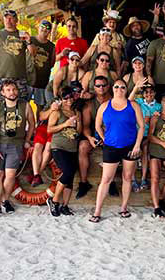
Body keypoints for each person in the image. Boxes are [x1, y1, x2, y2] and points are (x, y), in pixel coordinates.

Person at [91, 79, 145, 222]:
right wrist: (105, 138)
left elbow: (141, 126)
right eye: (116, 86)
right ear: (112, 88)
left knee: (127, 177)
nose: (119, 89)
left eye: (122, 87)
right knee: (106, 179)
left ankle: (123, 208)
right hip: (111, 147)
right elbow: (97, 126)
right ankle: (97, 211)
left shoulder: (133, 105)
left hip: (130, 147)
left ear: (126, 90)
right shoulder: (104, 106)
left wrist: (138, 145)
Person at [0, 80, 35, 217]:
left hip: (16, 144)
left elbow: (32, 123)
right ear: (2, 92)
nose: (11, 92)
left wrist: (26, 140)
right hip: (0, 143)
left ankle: (5, 200)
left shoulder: (24, 105)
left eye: (13, 89)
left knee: (10, 175)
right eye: (8, 90)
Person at [46, 86, 82, 217]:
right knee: (67, 171)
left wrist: (77, 124)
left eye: (70, 97)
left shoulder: (76, 112)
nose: (68, 100)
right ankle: (54, 201)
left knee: (70, 177)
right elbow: (49, 129)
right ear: (61, 99)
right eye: (65, 98)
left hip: (72, 147)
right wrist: (65, 124)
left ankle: (65, 205)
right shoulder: (57, 112)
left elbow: (79, 132)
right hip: (59, 147)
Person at [0, 9, 30, 100]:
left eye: (11, 18)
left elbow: (33, 53)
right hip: (2, 76)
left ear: (16, 20)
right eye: (6, 18)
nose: (8, 21)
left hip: (20, 77)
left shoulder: (22, 34)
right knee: (2, 105)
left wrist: (29, 41)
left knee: (22, 103)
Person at [79, 76, 112, 198]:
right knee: (83, 147)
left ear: (108, 86)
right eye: (98, 86)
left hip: (110, 136)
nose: (101, 88)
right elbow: (86, 126)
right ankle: (83, 183)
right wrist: (89, 138)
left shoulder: (114, 101)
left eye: (103, 85)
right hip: (95, 135)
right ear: (94, 88)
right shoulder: (89, 104)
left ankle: (111, 182)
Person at [131, 82, 160, 191]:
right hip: (136, 133)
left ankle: (143, 178)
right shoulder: (138, 102)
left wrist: (154, 119)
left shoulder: (158, 106)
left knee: (146, 149)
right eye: (146, 92)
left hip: (149, 135)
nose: (149, 94)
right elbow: (128, 101)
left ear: (155, 93)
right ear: (143, 94)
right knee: (134, 151)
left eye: (151, 92)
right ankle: (133, 179)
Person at [27, 19, 55, 111]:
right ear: (38, 28)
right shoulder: (30, 39)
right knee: (24, 105)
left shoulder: (51, 46)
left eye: (47, 28)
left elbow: (52, 63)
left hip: (42, 81)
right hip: (28, 79)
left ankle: (39, 125)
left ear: (50, 31)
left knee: (40, 107)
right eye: (42, 27)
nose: (44, 29)